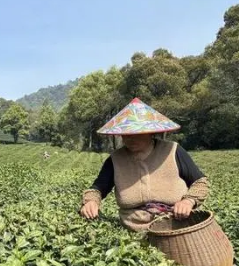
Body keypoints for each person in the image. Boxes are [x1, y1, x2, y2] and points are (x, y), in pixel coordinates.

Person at [80, 98, 210, 232]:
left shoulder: (173, 151)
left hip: (174, 226)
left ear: (150, 133)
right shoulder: (115, 160)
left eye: (136, 133)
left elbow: (200, 182)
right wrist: (91, 201)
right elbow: (97, 189)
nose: (129, 138)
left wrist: (188, 201)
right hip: (132, 229)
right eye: (125, 134)